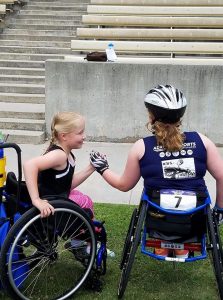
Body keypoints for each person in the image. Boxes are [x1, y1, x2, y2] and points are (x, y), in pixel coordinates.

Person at [90, 84, 223, 258]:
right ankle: (183, 245)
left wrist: (102, 168)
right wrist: (220, 209)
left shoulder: (141, 147)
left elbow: (124, 185)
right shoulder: (202, 141)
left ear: (151, 116)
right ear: (180, 115)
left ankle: (164, 244)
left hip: (158, 220)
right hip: (194, 220)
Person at [23, 111, 95, 218]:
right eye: (80, 133)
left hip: (58, 196)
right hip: (52, 202)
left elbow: (66, 185)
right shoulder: (59, 155)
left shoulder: (67, 154)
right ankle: (91, 231)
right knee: (85, 201)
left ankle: (90, 229)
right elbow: (29, 165)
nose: (84, 136)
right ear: (64, 136)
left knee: (81, 196)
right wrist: (36, 200)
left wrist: (92, 167)